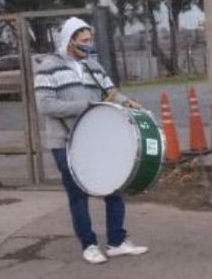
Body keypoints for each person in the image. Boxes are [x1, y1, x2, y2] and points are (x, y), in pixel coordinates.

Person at [34, 17, 149, 264]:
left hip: (95, 140)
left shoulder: (93, 66)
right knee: (78, 194)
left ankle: (117, 241)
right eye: (84, 40)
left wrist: (126, 101)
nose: (88, 45)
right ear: (69, 40)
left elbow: (110, 92)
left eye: (90, 40)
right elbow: (45, 105)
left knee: (114, 188)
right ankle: (89, 245)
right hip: (64, 141)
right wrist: (85, 107)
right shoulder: (48, 67)